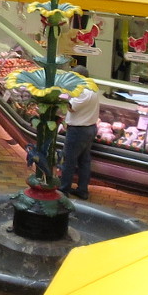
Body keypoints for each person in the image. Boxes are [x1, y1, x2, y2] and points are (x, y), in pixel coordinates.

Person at [58, 72, 101, 200]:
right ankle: (82, 190)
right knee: (84, 161)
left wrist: (59, 99)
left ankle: (63, 190)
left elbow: (71, 108)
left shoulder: (83, 92)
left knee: (69, 161)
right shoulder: (93, 89)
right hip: (90, 128)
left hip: (78, 131)